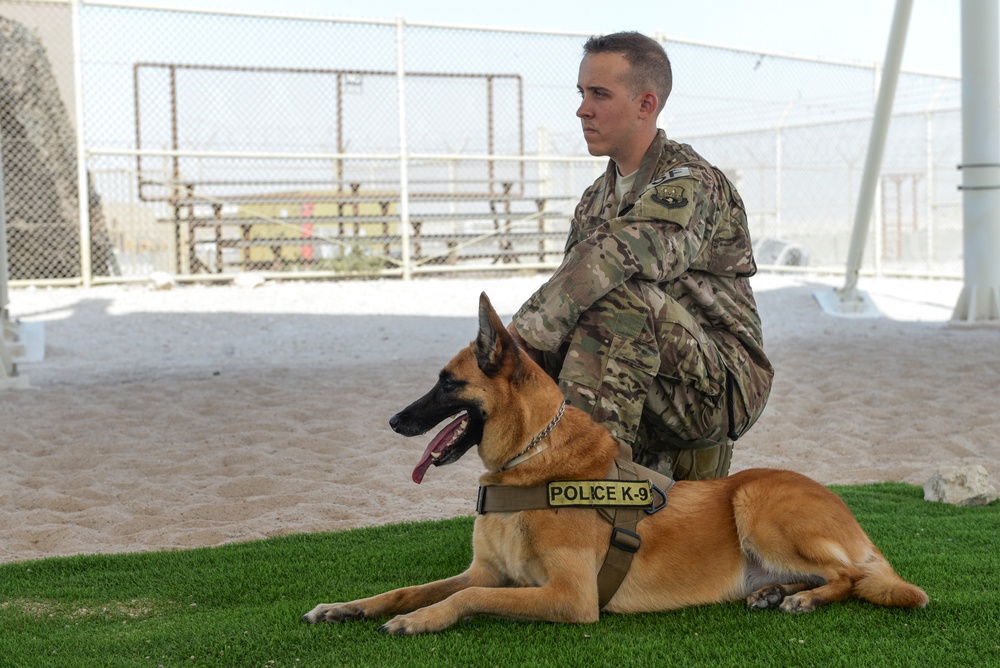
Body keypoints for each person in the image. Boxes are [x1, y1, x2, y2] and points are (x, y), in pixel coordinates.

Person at [507, 31, 773, 480]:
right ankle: (547, 479)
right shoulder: (596, 199)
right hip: (643, 376)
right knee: (529, 360)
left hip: (717, 389)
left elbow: (622, 255)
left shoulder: (691, 182)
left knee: (611, 299)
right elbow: (572, 307)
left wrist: (520, 333)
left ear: (645, 105)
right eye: (582, 93)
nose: (582, 109)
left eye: (600, 94)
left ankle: (584, 486)